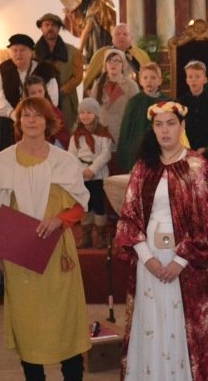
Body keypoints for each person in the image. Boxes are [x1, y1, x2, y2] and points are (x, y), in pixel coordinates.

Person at [114, 101, 208, 381]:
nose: (165, 130)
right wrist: (147, 258)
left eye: (171, 123)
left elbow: (206, 219)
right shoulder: (143, 167)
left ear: (182, 127)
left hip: (186, 261)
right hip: (149, 258)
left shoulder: (196, 165)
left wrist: (180, 259)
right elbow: (130, 215)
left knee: (180, 325)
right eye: (159, 124)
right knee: (151, 325)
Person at [0, 96, 92, 381]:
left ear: (48, 122)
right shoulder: (3, 162)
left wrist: (60, 220)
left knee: (65, 320)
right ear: (18, 122)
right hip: (19, 254)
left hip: (57, 251)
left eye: (37, 116)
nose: (31, 121)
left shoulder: (64, 161)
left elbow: (80, 205)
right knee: (27, 322)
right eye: (26, 116)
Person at [0, 33, 59, 152]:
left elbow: (52, 99)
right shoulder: (4, 69)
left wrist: (34, 114)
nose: (18, 54)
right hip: (9, 125)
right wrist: (12, 114)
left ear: (31, 52)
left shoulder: (45, 69)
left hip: (37, 124)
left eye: (22, 50)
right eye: (14, 50)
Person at [67, 98, 113, 249]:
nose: (85, 116)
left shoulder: (103, 134)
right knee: (86, 205)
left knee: (99, 204)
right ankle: (86, 235)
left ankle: (100, 235)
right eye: (82, 112)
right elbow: (71, 155)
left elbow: (105, 154)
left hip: (98, 175)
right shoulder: (76, 136)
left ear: (96, 114)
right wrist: (82, 171)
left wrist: (92, 169)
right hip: (82, 177)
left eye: (89, 112)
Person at [35, 12, 84, 132]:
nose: (50, 28)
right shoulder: (33, 53)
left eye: (54, 25)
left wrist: (62, 90)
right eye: (46, 25)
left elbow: (78, 77)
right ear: (41, 28)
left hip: (66, 100)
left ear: (59, 28)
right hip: (39, 99)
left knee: (66, 132)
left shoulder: (73, 52)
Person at [115, 62, 166, 173]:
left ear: (160, 80)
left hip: (161, 152)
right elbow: (126, 130)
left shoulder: (167, 103)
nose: (149, 81)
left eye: (153, 77)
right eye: (145, 78)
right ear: (140, 81)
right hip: (137, 152)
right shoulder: (134, 102)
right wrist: (127, 157)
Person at [89, 47, 140, 154]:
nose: (113, 64)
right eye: (110, 60)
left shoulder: (131, 85)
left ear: (122, 65)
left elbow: (137, 111)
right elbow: (92, 109)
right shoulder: (98, 84)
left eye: (117, 60)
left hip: (122, 132)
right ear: (105, 65)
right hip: (102, 133)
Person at [83, 22, 151, 92]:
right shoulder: (101, 54)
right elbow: (89, 80)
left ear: (131, 38)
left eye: (125, 34)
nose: (121, 36)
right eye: (117, 34)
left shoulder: (141, 54)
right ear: (112, 38)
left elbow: (150, 77)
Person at [178, 60, 208, 161]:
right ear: (186, 80)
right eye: (190, 77)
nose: (193, 80)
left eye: (197, 77)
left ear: (205, 79)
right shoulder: (180, 103)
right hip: (185, 151)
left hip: (207, 151)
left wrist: (206, 147)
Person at [25, 75, 70, 148]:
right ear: (28, 95)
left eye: (40, 91)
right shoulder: (24, 112)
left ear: (45, 91)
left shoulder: (54, 111)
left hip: (52, 147)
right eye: (33, 93)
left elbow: (62, 136)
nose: (38, 95)